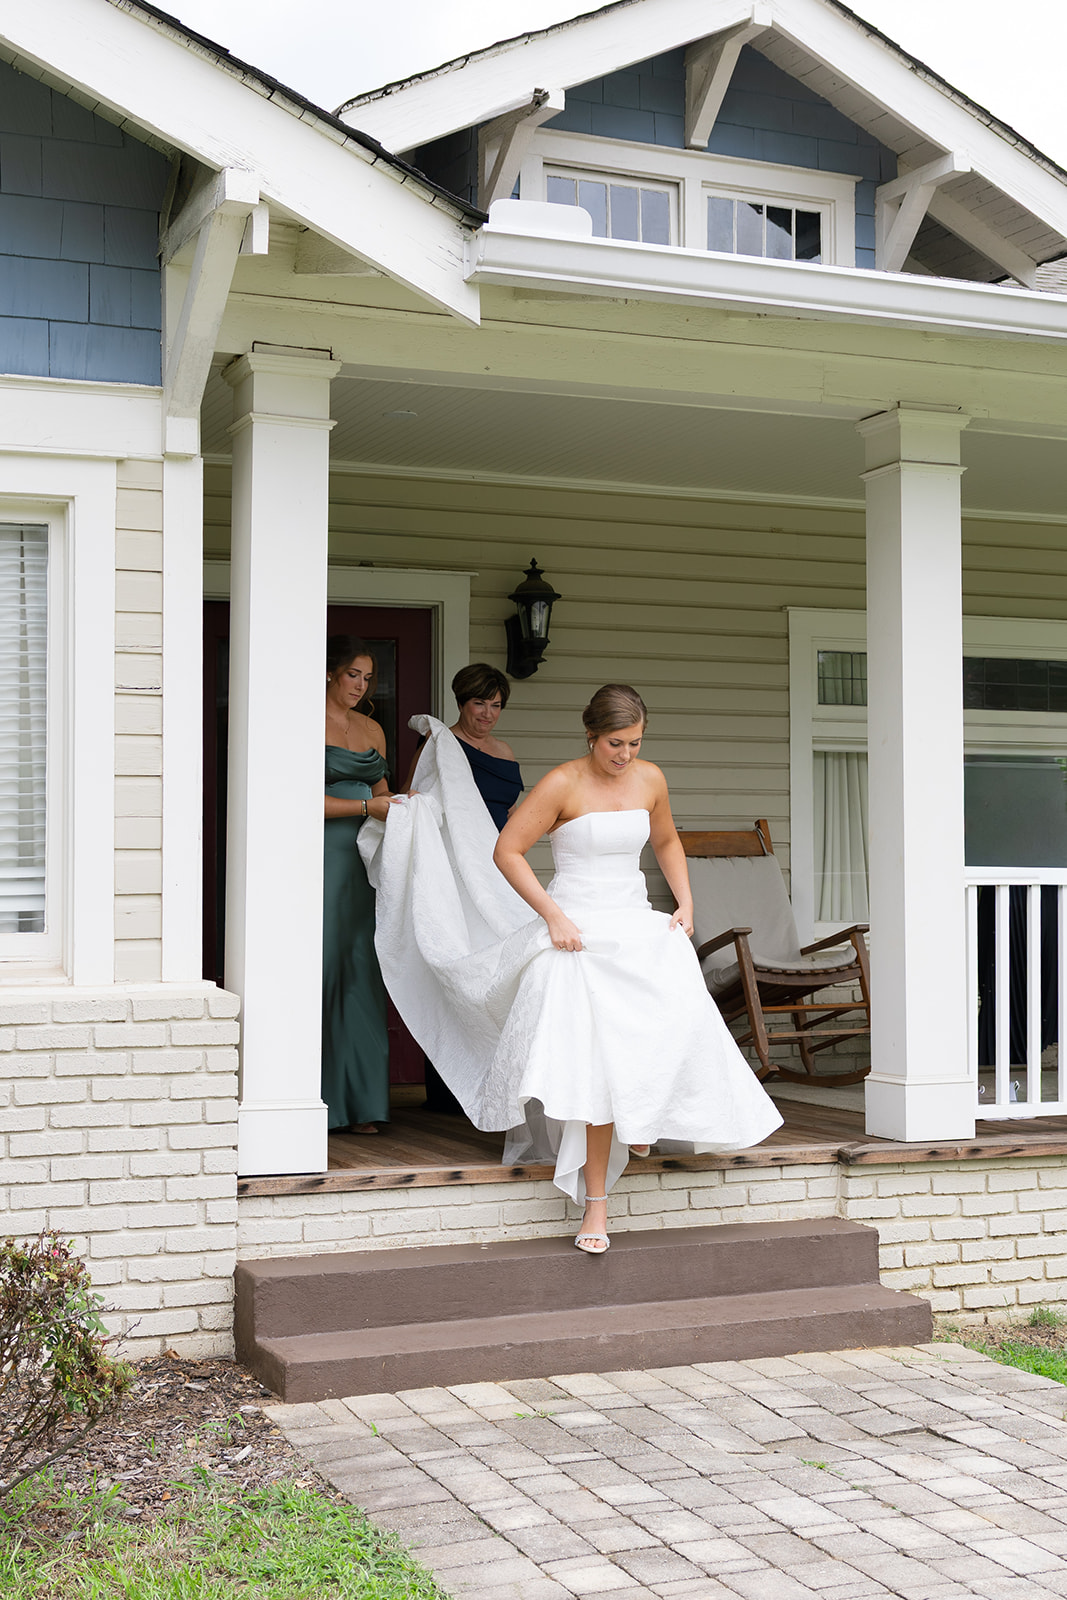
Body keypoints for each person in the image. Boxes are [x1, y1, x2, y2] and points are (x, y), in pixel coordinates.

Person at [360, 686, 781, 1252]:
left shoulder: (650, 779)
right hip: (577, 933)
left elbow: (665, 839)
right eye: (615, 743)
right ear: (590, 735)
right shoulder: (562, 783)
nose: (625, 754)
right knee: (594, 1077)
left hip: (634, 923)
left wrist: (684, 902)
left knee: (679, 1020)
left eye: (634, 742)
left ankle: (643, 1121)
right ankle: (596, 1209)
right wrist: (553, 916)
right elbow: (507, 850)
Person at [408, 664, 523, 1114]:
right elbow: (412, 802)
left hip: (497, 871)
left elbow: (510, 816)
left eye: (496, 705)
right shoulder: (439, 744)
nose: (488, 714)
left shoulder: (505, 751)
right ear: (461, 701)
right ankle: (445, 1088)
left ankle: (493, 1077)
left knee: (497, 969)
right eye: (480, 703)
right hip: (455, 872)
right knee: (457, 965)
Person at [322, 636, 396, 1135]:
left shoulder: (373, 729)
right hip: (320, 859)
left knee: (361, 970)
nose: (361, 685)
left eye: (368, 678)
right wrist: (368, 808)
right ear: (331, 672)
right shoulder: (302, 718)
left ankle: (363, 1102)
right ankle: (316, 1098)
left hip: (365, 859)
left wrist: (396, 808)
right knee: (323, 968)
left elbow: (383, 794)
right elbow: (295, 798)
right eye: (353, 674)